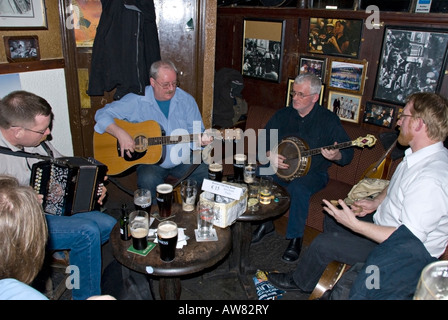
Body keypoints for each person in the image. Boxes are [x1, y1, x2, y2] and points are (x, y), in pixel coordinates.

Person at [267, 92, 448, 297]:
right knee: (332, 218)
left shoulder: (431, 179)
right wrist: (376, 202)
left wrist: (356, 225)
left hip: (400, 253)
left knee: (322, 243)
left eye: (404, 116)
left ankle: (301, 282)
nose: (398, 122)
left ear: (419, 124)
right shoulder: (416, 157)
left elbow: (408, 241)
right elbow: (395, 186)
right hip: (387, 226)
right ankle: (346, 265)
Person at [0, 91, 117, 300]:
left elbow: (66, 166)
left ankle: (75, 258)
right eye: (42, 130)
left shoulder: (38, 142)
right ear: (17, 131)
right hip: (22, 224)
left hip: (56, 211)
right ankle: (86, 296)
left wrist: (94, 186)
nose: (48, 134)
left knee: (110, 225)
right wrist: (25, 201)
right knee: (86, 233)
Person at [253, 73, 354, 263]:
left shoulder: (328, 120)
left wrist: (336, 155)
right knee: (258, 174)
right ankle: (265, 224)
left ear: (315, 97)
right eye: (294, 94)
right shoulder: (283, 115)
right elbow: (261, 144)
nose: (295, 98)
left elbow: (347, 153)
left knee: (298, 188)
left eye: (301, 95)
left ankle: (295, 239)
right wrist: (270, 155)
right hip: (280, 168)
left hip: (314, 173)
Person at [94, 59, 212, 199]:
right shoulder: (137, 100)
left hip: (182, 159)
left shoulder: (186, 100)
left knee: (206, 172)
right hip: (151, 163)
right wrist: (120, 133)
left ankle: (196, 211)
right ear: (152, 82)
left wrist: (201, 141)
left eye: (174, 84)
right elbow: (101, 114)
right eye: (166, 84)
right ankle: (154, 216)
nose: (171, 89)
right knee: (148, 179)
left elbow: (196, 132)